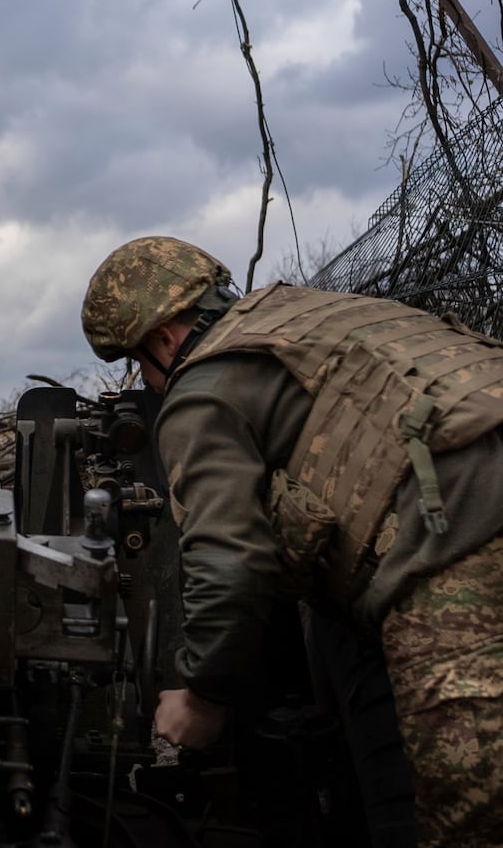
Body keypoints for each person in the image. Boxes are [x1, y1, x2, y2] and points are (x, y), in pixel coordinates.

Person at [80, 235, 503, 847]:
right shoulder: (320, 314)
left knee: (470, 817)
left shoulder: (201, 391)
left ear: (165, 337)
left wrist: (202, 694)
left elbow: (229, 564)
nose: (146, 380)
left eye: (137, 363)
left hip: (460, 550)